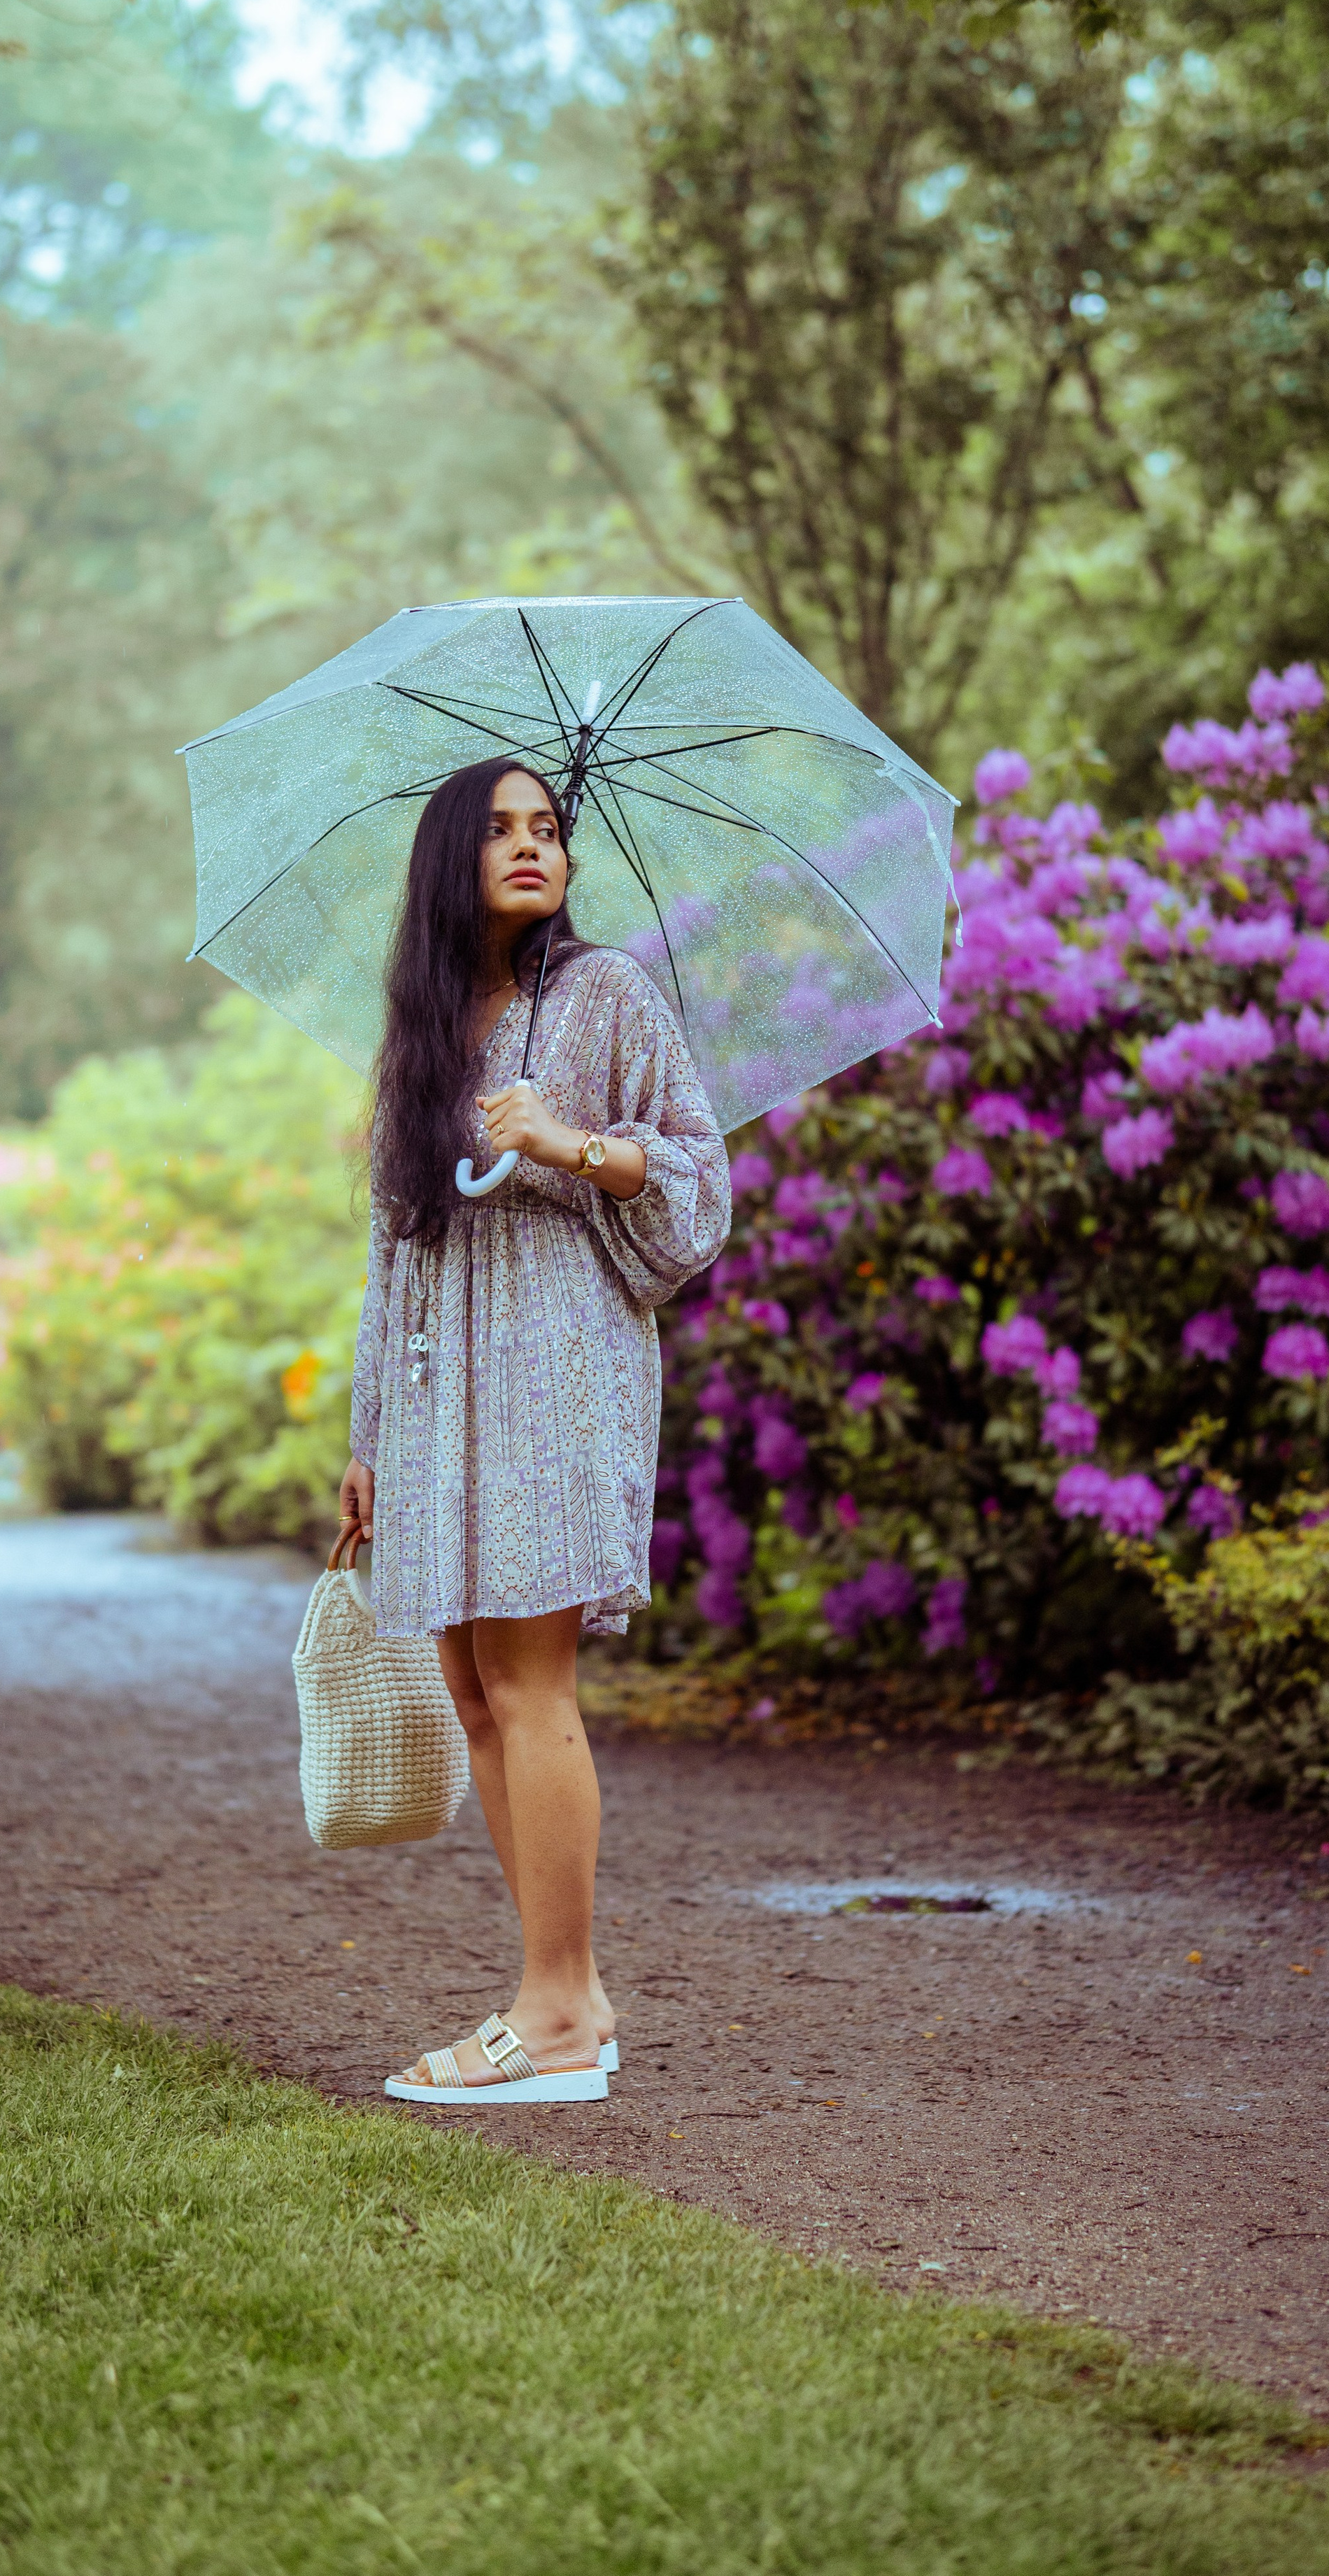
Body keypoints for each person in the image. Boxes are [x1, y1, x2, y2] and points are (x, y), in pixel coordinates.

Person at [340, 755, 731, 2103]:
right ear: (451, 858)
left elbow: (697, 1188)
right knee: (470, 1689)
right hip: (441, 1392)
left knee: (530, 1682)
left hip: (556, 1377)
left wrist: (568, 1142)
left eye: (549, 829)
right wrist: (371, 1434)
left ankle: (556, 2015)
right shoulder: (426, 1032)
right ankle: (569, 1991)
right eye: (502, 829)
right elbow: (394, 1249)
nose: (532, 847)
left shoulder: (605, 994)